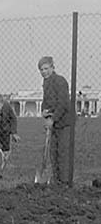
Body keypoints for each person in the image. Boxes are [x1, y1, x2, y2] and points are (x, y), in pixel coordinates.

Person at [38, 56, 71, 186]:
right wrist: (44, 111)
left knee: (62, 151)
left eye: (46, 68)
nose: (44, 72)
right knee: (53, 152)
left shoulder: (60, 81)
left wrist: (53, 119)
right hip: (53, 121)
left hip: (64, 121)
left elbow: (62, 103)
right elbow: (46, 101)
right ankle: (57, 180)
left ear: (53, 67)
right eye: (41, 69)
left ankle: (65, 181)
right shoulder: (46, 83)